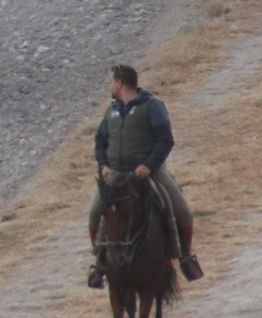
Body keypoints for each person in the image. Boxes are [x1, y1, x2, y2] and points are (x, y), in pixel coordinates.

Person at [87, 64, 203, 288]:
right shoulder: (110, 111)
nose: (110, 86)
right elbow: (100, 142)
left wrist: (148, 166)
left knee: (182, 212)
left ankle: (185, 258)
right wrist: (103, 165)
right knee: (94, 214)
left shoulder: (152, 106)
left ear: (120, 82)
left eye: (112, 81)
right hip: (116, 174)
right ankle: (100, 264)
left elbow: (165, 140)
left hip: (148, 172)